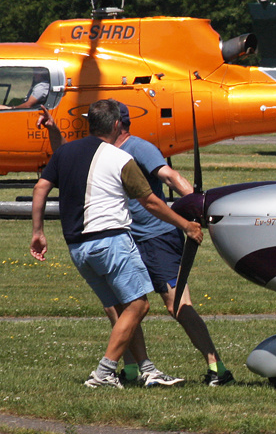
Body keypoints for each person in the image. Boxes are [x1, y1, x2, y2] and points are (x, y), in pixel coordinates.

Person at [30, 99, 203, 388]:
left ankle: (146, 369)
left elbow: (40, 187)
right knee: (139, 305)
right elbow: (150, 202)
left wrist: (38, 231)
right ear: (116, 125)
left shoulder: (66, 153)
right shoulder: (120, 159)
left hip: (78, 248)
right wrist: (186, 224)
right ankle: (104, 372)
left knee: (124, 309)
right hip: (110, 241)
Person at [111, 101, 234, 386]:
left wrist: (198, 207)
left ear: (116, 124)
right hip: (128, 237)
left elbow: (169, 175)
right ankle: (131, 371)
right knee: (124, 305)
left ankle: (218, 369)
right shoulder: (107, 152)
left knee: (177, 305)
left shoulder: (138, 147)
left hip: (157, 237)